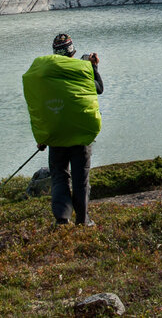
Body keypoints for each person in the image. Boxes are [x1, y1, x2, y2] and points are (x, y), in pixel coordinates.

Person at [22, 32, 103, 227]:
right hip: (80, 135)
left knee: (59, 176)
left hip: (56, 136)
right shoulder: (81, 71)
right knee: (80, 178)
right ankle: (83, 220)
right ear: (72, 53)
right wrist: (93, 67)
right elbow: (98, 88)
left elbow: (39, 106)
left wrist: (43, 136)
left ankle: (62, 218)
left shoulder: (45, 76)